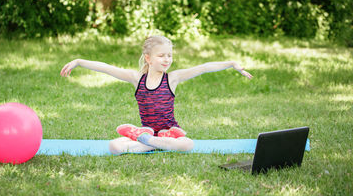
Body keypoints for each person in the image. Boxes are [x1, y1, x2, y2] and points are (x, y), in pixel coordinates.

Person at [60, 36, 253, 155]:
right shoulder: (137, 79)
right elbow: (107, 68)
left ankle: (151, 143)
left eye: (169, 55)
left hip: (170, 131)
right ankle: (152, 141)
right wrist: (78, 61)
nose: (167, 59)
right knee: (114, 147)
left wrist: (231, 63)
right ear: (148, 58)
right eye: (162, 55)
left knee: (188, 144)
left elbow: (203, 68)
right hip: (148, 130)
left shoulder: (173, 78)